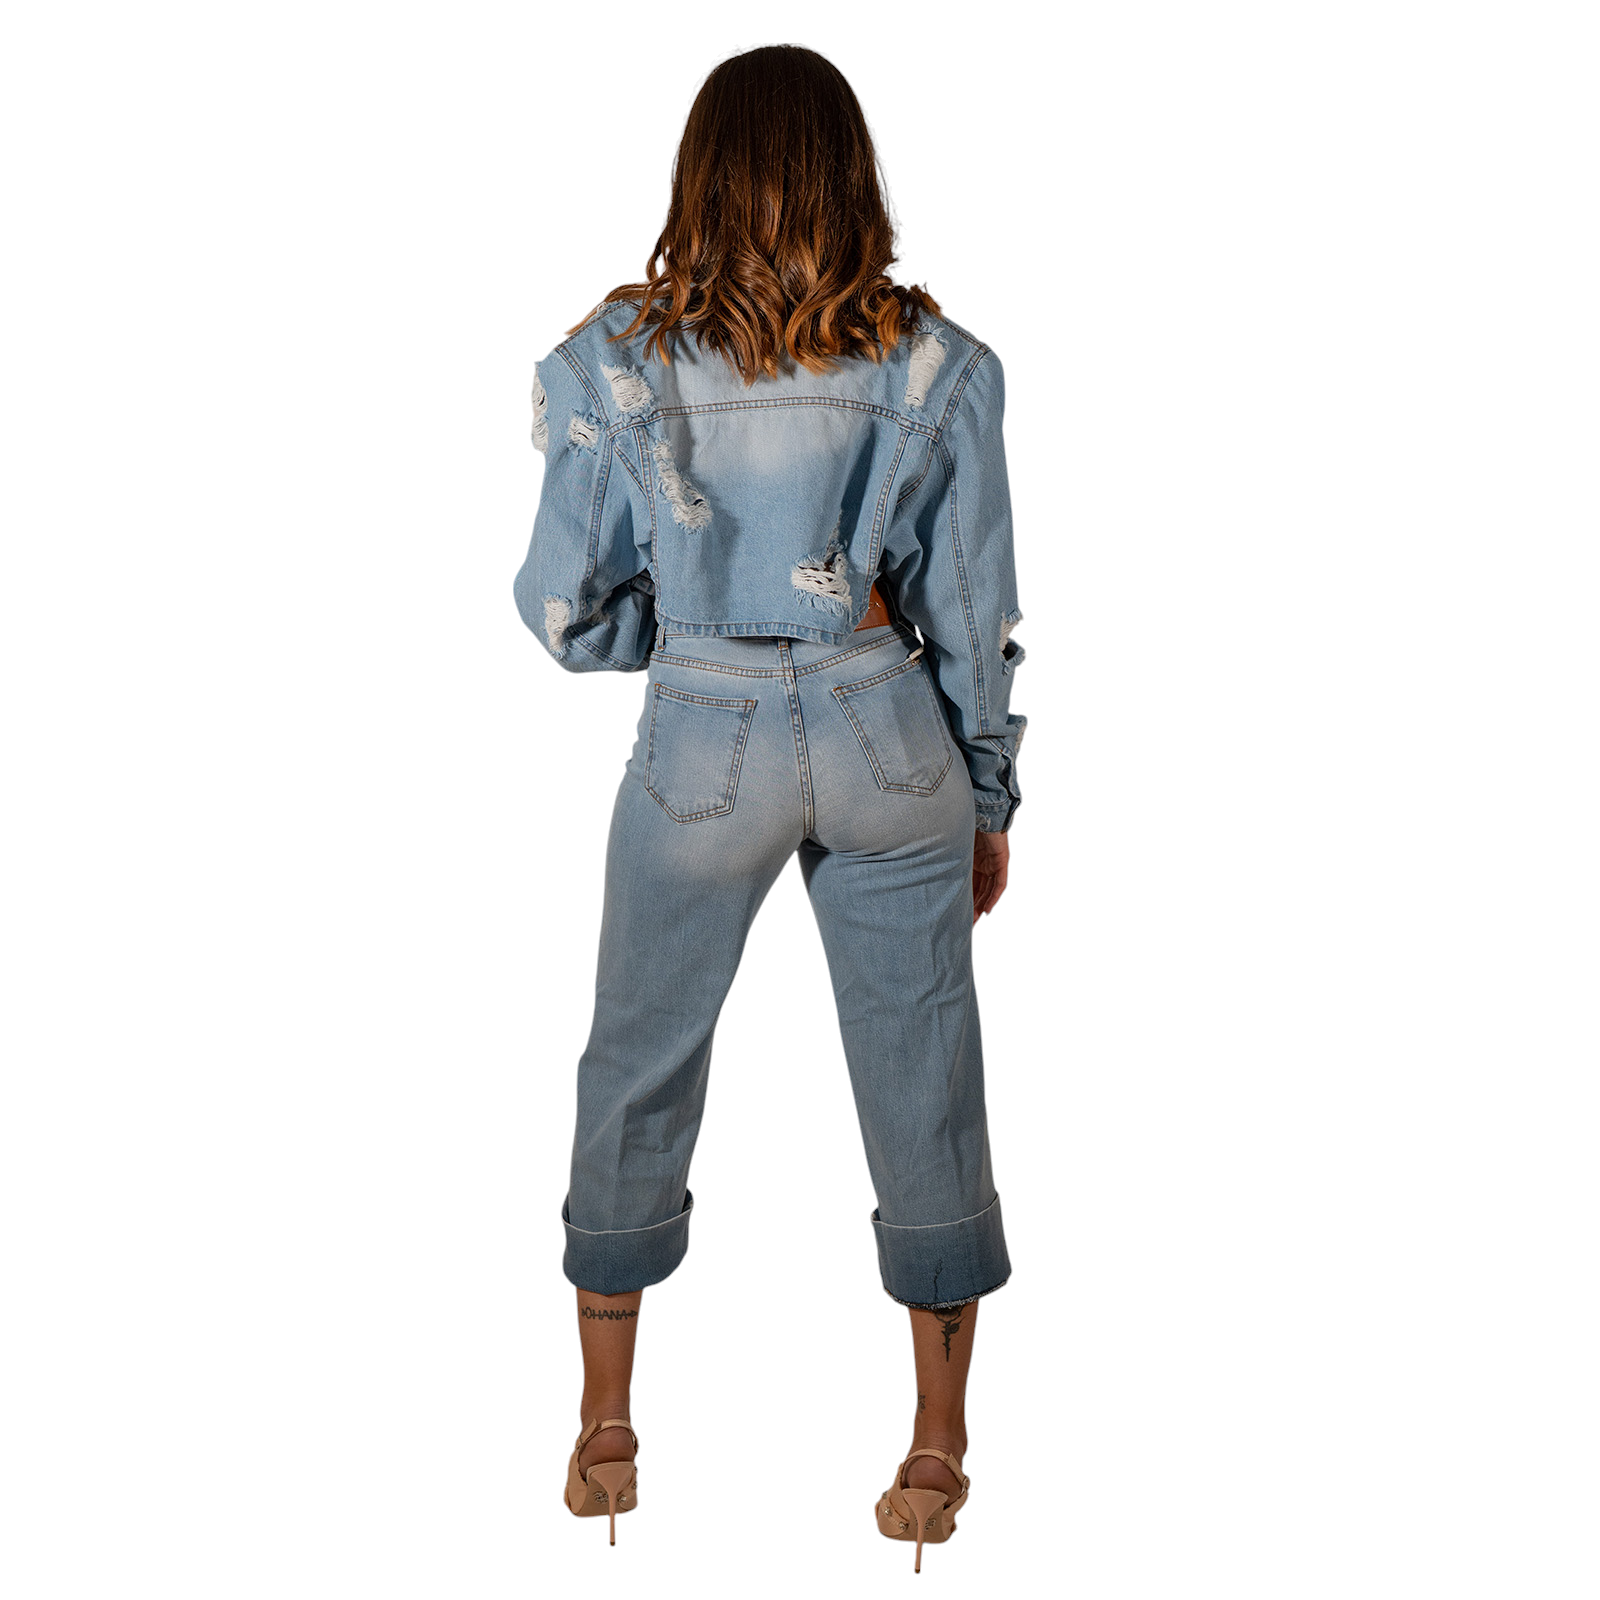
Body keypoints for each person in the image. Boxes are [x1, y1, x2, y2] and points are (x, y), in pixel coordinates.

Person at [513, 44, 1026, 1570]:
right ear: (851, 174)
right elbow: (975, 610)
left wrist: (684, 626)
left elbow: (561, 609)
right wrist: (987, 794)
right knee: (925, 1070)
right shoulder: (939, 363)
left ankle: (606, 1428)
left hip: (703, 732)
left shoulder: (613, 358)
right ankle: (936, 1451)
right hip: (888, 726)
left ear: (701, 175)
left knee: (637, 1060)